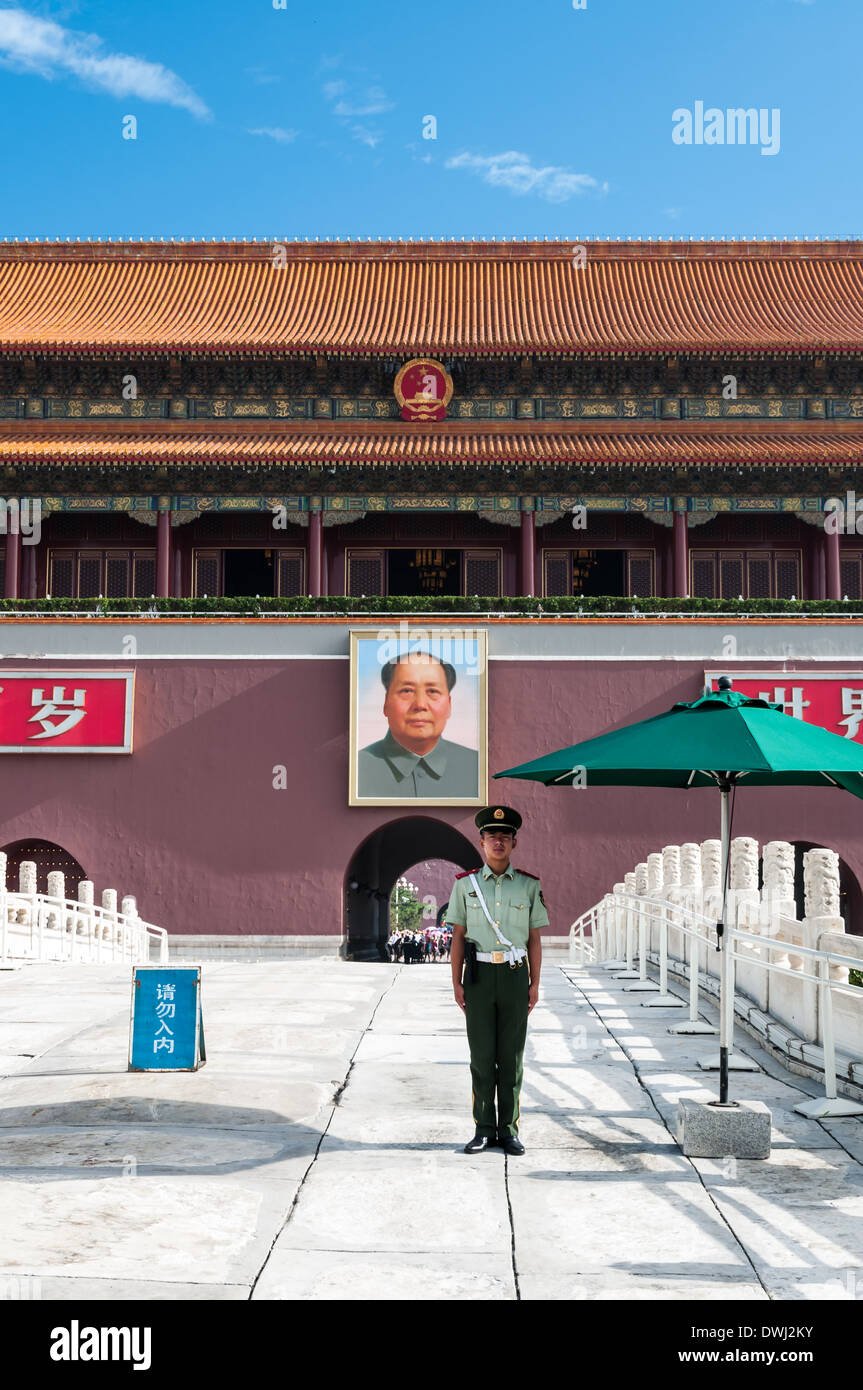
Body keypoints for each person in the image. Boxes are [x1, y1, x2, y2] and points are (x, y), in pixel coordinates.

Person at [447, 805, 547, 1157]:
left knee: (512, 1057)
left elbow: (534, 938)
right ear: (482, 842)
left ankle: (509, 1130)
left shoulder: (529, 886)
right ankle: (483, 1129)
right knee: (481, 1056)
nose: (498, 842)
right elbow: (458, 935)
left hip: (514, 976)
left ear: (514, 843)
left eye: (505, 837)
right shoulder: (464, 886)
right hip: (478, 976)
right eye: (492, 837)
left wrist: (534, 983)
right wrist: (456, 982)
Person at [357, 650, 479, 799]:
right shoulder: (356, 768)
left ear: (449, 705)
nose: (420, 705)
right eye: (407, 690)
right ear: (386, 703)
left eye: (432, 691)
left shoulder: (477, 767)